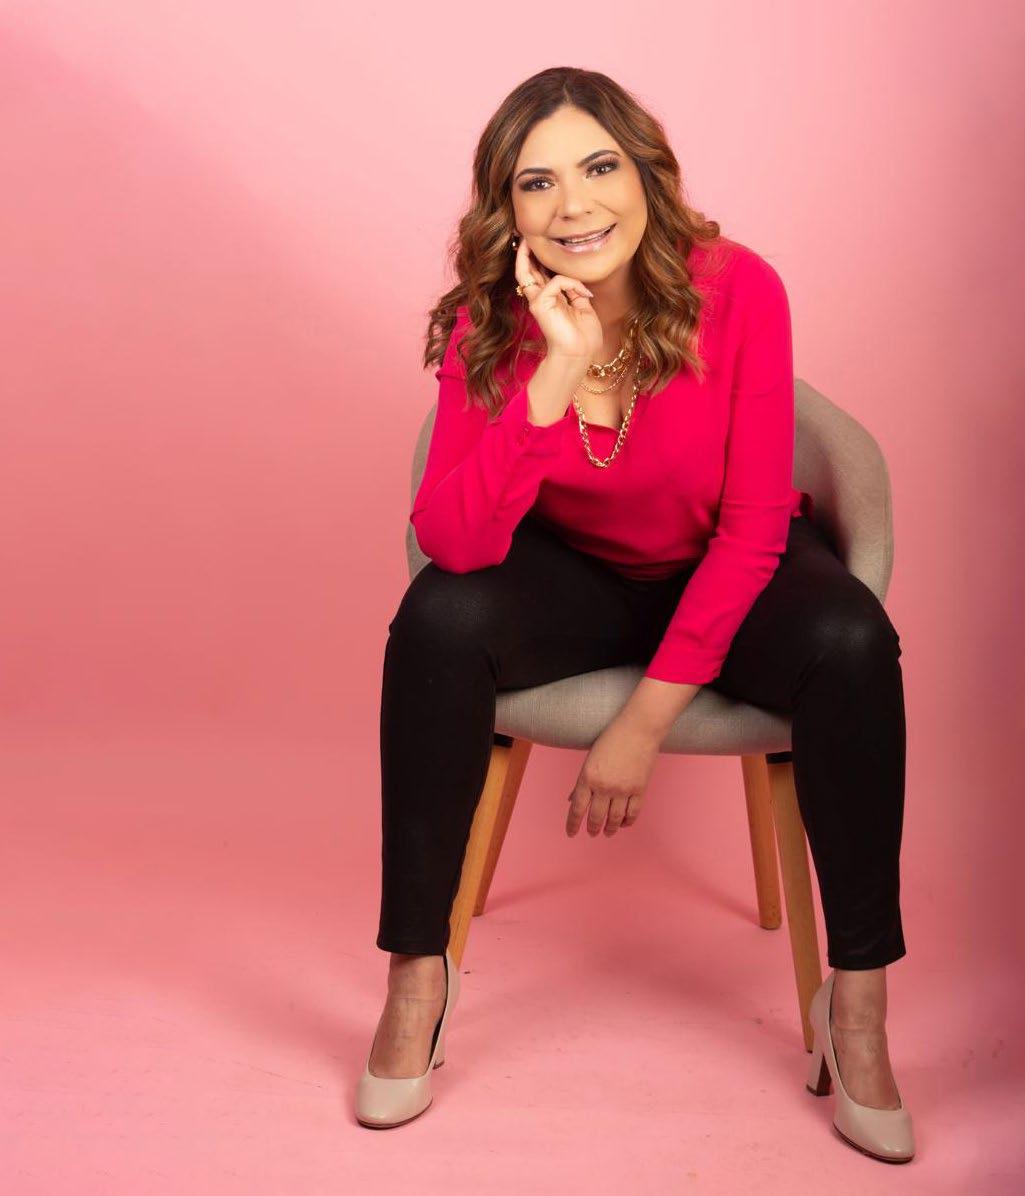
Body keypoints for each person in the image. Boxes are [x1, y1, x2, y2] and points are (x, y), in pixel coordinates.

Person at [356, 67, 915, 1162]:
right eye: (537, 183)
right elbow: (454, 543)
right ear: (506, 209)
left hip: (728, 566)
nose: (574, 206)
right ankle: (418, 977)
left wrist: (639, 726)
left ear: (645, 172)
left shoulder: (738, 288)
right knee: (434, 621)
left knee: (853, 640)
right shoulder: (490, 314)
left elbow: (751, 530)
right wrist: (552, 375)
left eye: (599, 167)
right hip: (573, 574)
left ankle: (853, 1003)